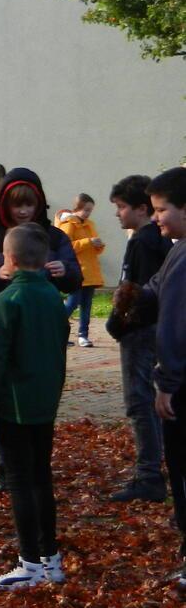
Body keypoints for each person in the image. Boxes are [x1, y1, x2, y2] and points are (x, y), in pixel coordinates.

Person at [0, 223, 69, 590]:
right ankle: (51, 558)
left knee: (20, 482)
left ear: (9, 259)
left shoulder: (5, 301)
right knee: (41, 478)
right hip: (45, 400)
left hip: (13, 404)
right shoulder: (53, 297)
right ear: (44, 259)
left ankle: (29, 561)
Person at [119, 167, 186, 588]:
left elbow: (178, 326)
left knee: (182, 471)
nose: (156, 217)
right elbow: (157, 292)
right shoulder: (177, 250)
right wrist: (136, 297)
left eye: (162, 209)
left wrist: (167, 383)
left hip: (182, 385)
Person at [105, 174, 171, 503]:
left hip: (139, 332)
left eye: (121, 207)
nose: (117, 213)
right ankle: (153, 467)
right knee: (148, 399)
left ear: (141, 208)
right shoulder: (155, 241)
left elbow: (138, 292)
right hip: (149, 329)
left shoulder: (144, 242)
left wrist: (118, 323)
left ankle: (149, 473)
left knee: (139, 402)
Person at [0, 168, 83, 302]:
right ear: (5, 205)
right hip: (5, 315)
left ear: (38, 204)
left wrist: (65, 272)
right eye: (17, 205)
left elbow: (76, 279)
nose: (23, 211)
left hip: (45, 314)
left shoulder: (55, 237)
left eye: (29, 205)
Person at [56, 194, 105, 348]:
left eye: (90, 210)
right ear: (76, 209)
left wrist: (98, 245)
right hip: (76, 271)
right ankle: (55, 330)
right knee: (72, 302)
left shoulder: (90, 224)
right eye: (86, 210)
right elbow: (66, 247)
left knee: (87, 305)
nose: (88, 213)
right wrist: (87, 242)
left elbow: (94, 249)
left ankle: (83, 335)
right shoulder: (68, 224)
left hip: (90, 271)